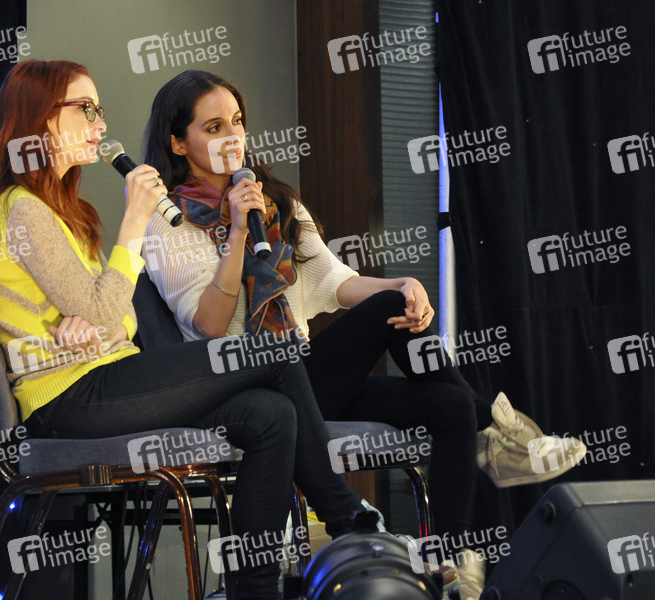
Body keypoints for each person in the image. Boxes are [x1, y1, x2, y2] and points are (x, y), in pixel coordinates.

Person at [140, 69, 587, 599]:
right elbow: (209, 325)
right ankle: (497, 434)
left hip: (305, 376)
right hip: (244, 391)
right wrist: (237, 233)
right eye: (213, 127)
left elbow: (336, 282)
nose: (232, 137)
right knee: (401, 331)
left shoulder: (276, 201)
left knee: (446, 401)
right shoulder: (167, 221)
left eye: (237, 122)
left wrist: (401, 283)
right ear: (178, 142)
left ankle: (451, 559)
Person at [0, 59, 384, 600]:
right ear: (39, 116)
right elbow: (108, 308)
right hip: (67, 398)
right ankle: (345, 515)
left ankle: (254, 590)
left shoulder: (56, 209)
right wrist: (134, 223)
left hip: (105, 378)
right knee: (270, 352)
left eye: (99, 111)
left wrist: (98, 321)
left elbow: (121, 316)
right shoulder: (22, 210)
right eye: (85, 109)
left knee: (269, 414)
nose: (100, 124)